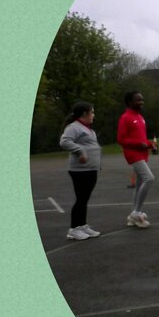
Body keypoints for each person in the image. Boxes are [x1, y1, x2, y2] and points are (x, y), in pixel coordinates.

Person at [59, 101, 102, 240]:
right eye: (92, 112)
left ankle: (82, 225)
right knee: (81, 198)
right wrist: (80, 150)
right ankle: (73, 229)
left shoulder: (88, 129)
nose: (93, 115)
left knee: (84, 198)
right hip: (80, 170)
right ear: (85, 113)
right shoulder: (74, 127)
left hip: (90, 169)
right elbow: (64, 141)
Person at [117, 91, 157, 228]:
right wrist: (138, 144)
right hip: (133, 154)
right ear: (129, 102)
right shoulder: (125, 118)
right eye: (138, 100)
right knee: (149, 178)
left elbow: (141, 138)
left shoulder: (140, 117)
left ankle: (134, 213)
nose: (141, 102)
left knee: (140, 183)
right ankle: (137, 212)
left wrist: (151, 144)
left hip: (143, 153)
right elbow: (121, 139)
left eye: (142, 100)